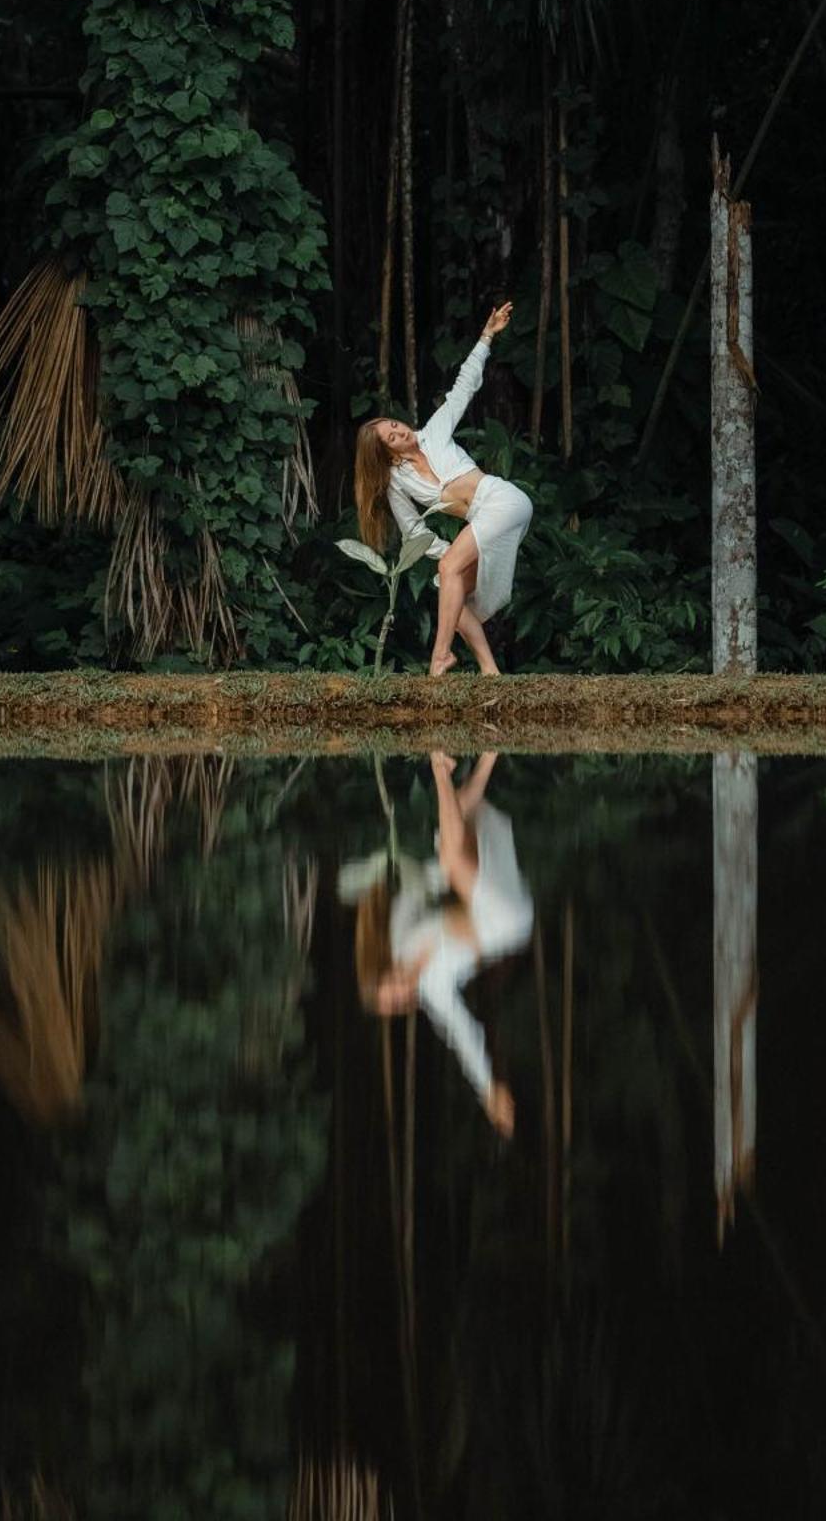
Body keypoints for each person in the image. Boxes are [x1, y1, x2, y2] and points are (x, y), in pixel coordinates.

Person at [348, 752, 533, 1137]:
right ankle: (438, 765)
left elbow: (420, 891)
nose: (402, 992)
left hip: (484, 904)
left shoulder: (401, 939)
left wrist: (440, 867)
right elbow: (465, 1037)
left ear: (384, 968)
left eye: (390, 987)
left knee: (459, 817)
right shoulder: (434, 991)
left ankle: (488, 754)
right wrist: (487, 1088)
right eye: (398, 1002)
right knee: (452, 850)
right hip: (505, 922)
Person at [354, 303, 533, 676]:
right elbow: (414, 532)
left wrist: (487, 336)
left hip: (502, 499)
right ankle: (489, 670)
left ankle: (439, 659)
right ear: (384, 452)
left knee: (449, 568)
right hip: (484, 518)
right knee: (448, 584)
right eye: (391, 436)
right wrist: (447, 550)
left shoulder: (433, 433)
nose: (401, 430)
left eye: (395, 424)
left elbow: (463, 388)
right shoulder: (397, 483)